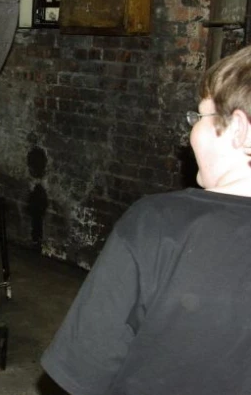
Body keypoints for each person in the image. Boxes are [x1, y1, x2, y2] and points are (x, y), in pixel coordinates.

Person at [41, 45, 251, 395]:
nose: (191, 134)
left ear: (241, 130)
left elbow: (83, 371)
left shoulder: (158, 225)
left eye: (200, 117)